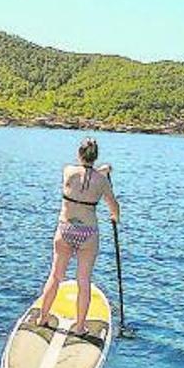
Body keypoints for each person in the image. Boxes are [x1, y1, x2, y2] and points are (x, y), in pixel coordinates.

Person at [31, 138, 121, 335]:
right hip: (88, 233)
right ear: (95, 157)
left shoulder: (68, 171)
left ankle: (43, 317)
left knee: (55, 276)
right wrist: (115, 217)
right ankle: (80, 327)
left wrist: (100, 171)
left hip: (66, 229)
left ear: (79, 154)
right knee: (83, 280)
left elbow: (83, 174)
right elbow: (113, 206)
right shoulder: (102, 181)